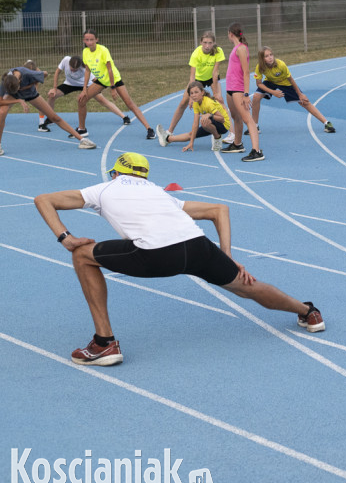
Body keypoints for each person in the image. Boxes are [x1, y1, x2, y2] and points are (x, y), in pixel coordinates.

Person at [33, 152, 325, 365]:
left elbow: (43, 199)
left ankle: (104, 343)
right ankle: (308, 311)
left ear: (115, 174)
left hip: (157, 254)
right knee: (246, 287)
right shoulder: (159, 193)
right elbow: (219, 209)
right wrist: (227, 256)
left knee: (82, 255)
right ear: (143, 176)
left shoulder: (103, 188)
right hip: (197, 247)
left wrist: (66, 238)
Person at [1, 65, 97, 155]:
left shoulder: (27, 73)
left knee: (54, 117)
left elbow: (45, 73)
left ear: (19, 82)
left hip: (31, 94)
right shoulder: (6, 81)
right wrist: (18, 100)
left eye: (19, 88)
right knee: (2, 113)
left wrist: (31, 84)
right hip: (14, 96)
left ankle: (82, 140)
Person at [76, 30, 155, 139]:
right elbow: (87, 71)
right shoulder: (85, 51)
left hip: (114, 79)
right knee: (81, 100)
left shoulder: (103, 50)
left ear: (96, 40)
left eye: (91, 39)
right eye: (87, 40)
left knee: (129, 103)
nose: (89, 42)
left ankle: (149, 129)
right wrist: (84, 89)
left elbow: (109, 69)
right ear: (83, 40)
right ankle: (82, 129)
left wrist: (113, 88)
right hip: (102, 80)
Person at [250, 46, 336, 134]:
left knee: (304, 101)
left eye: (271, 54)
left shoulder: (281, 64)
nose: (270, 57)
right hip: (270, 82)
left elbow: (291, 79)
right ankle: (255, 126)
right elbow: (259, 84)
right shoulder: (260, 67)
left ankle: (326, 123)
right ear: (262, 59)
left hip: (286, 83)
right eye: (266, 56)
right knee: (256, 96)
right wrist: (273, 92)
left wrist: (300, 94)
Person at [38, 55, 129, 132]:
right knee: (51, 95)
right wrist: (54, 88)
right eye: (71, 69)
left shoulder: (85, 67)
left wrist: (110, 87)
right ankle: (50, 118)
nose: (73, 71)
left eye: (75, 70)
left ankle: (124, 117)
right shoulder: (66, 60)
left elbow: (95, 80)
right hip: (69, 84)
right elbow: (57, 72)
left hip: (85, 85)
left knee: (102, 100)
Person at [165, 31, 225, 135]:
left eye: (210, 43)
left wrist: (216, 93)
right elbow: (192, 76)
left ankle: (230, 132)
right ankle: (169, 131)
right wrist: (191, 96)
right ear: (201, 42)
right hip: (198, 78)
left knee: (219, 100)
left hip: (212, 77)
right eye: (205, 42)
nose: (207, 46)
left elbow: (215, 73)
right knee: (183, 102)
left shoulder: (218, 51)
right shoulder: (196, 53)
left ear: (214, 43)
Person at [221, 22, 264, 161]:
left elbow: (246, 72)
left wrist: (246, 94)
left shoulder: (241, 49)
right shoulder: (236, 48)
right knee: (236, 117)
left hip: (238, 89)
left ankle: (256, 151)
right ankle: (237, 144)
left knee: (247, 119)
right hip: (230, 88)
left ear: (230, 34)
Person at [156, 81, 230, 152]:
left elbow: (222, 119)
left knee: (204, 120)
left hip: (224, 125)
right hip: (211, 123)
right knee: (192, 134)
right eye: (191, 93)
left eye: (196, 92)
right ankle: (167, 139)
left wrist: (210, 115)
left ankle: (217, 138)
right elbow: (195, 124)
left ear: (202, 92)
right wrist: (191, 142)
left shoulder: (208, 103)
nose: (194, 95)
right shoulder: (196, 103)